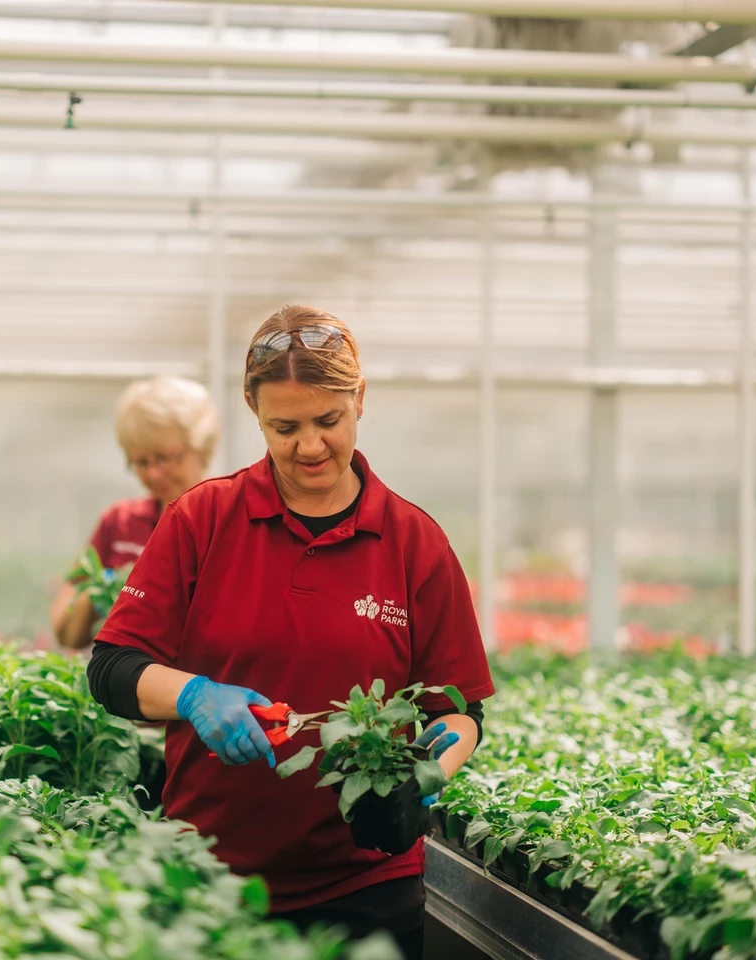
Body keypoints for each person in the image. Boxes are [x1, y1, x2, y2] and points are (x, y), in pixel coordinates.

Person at [87, 305, 494, 960]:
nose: (310, 445)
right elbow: (112, 668)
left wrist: (424, 772)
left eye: (328, 420)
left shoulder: (414, 543)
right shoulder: (203, 520)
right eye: (285, 426)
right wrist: (194, 694)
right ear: (253, 414)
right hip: (208, 879)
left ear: (360, 399)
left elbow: (460, 711)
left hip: (365, 886)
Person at [50, 376, 221, 651]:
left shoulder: (230, 517)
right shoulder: (120, 522)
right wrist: (102, 592)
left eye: (165, 457)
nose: (153, 472)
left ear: (201, 447)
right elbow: (65, 633)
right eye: (141, 462)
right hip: (127, 678)